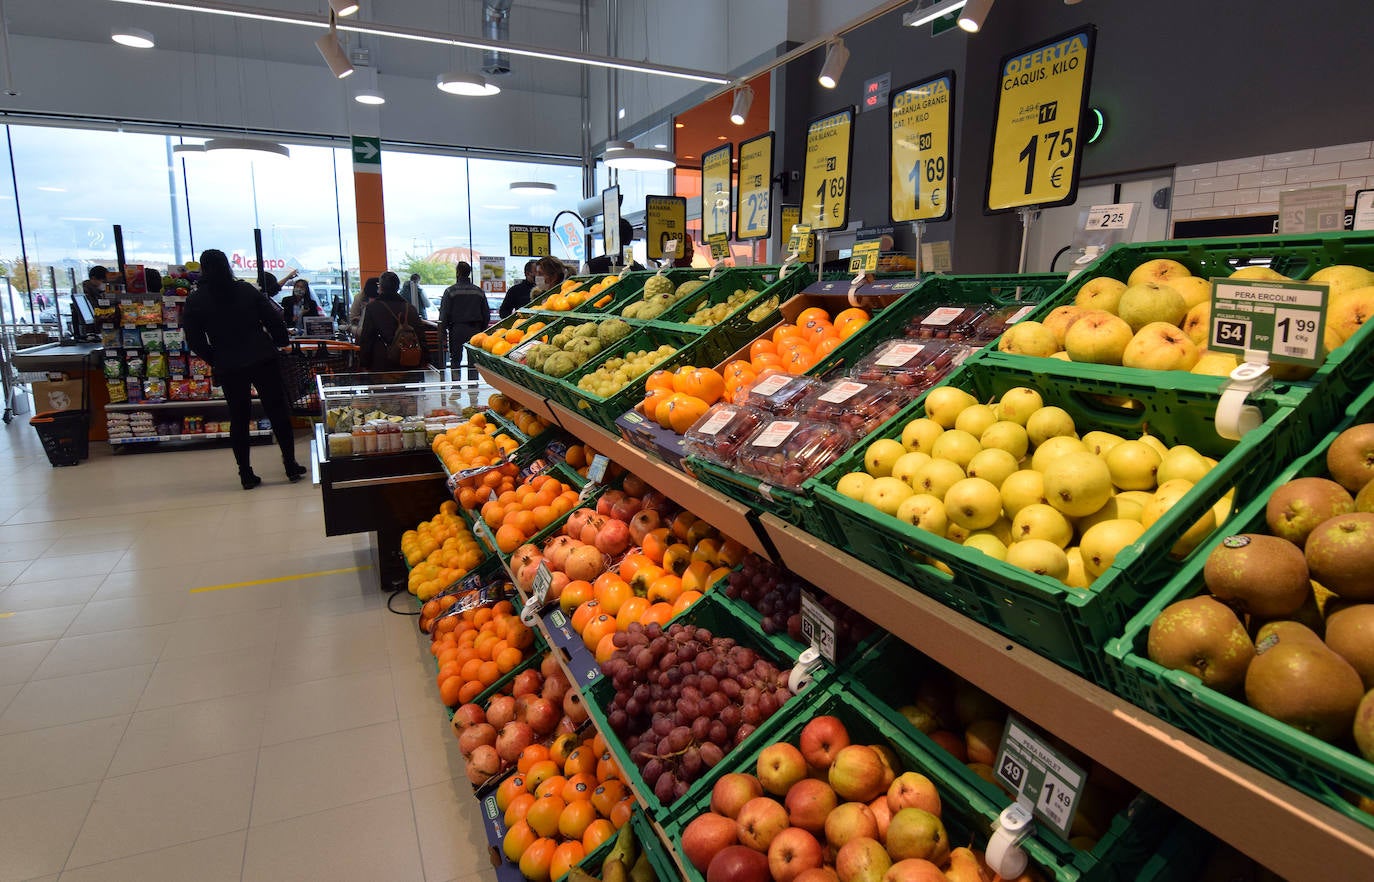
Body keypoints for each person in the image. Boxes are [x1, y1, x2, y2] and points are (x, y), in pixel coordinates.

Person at [182, 249, 305, 490]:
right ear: (227, 266)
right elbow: (274, 320)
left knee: (238, 418)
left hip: (229, 364)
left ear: (203, 269)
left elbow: (195, 340)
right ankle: (290, 465)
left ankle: (246, 474)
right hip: (262, 357)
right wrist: (282, 343)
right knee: (277, 412)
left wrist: (214, 358)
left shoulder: (196, 300)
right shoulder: (245, 290)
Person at [358, 271, 429, 371]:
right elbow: (420, 336)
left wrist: (364, 363)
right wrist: (424, 360)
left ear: (380, 288)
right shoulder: (410, 309)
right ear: (397, 287)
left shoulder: (372, 308)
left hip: (381, 363)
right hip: (409, 362)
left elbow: (367, 338)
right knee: (408, 386)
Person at [438, 261, 490, 383]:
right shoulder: (478, 291)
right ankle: (473, 386)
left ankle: (456, 386)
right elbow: (486, 313)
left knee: (455, 358)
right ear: (469, 273)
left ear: (457, 272)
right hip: (475, 329)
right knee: (473, 361)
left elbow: (444, 313)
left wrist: (442, 331)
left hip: (456, 329)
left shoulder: (450, 291)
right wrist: (481, 329)